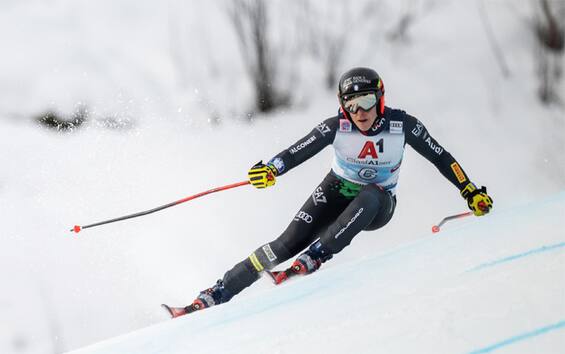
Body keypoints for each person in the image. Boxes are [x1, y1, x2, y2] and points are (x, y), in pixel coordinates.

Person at [163, 67, 493, 318]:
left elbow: (441, 156)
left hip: (377, 205)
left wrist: (469, 191)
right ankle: (216, 293)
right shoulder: (337, 126)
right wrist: (272, 168)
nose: (360, 112)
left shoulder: (402, 125)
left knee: (372, 192)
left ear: (380, 99)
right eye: (352, 105)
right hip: (335, 191)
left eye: (366, 102)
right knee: (283, 245)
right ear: (343, 107)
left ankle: (317, 255)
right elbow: (297, 151)